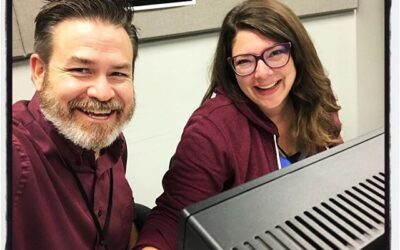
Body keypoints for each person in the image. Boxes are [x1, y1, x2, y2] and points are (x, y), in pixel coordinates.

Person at [134, 0, 343, 249]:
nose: (262, 73)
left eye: (275, 53)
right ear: (231, 68)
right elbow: (173, 218)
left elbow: (337, 166)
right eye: (245, 61)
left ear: (297, 53)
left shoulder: (316, 96)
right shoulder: (211, 129)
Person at [12, 0, 139, 249]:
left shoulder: (111, 142)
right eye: (81, 69)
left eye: (118, 74)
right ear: (39, 71)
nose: (103, 93)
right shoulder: (16, 153)